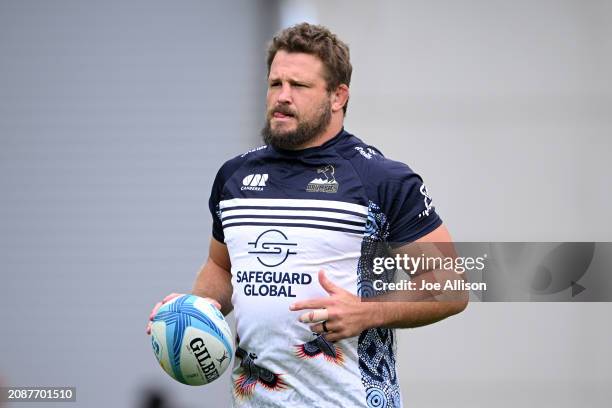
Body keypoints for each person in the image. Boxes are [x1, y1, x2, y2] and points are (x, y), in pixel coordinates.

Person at [148, 22, 467, 407]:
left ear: (337, 96)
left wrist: (367, 312)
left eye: (298, 86)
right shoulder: (235, 177)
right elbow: (221, 268)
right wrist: (189, 314)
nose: (282, 97)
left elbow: (452, 286)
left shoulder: (381, 179)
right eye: (275, 83)